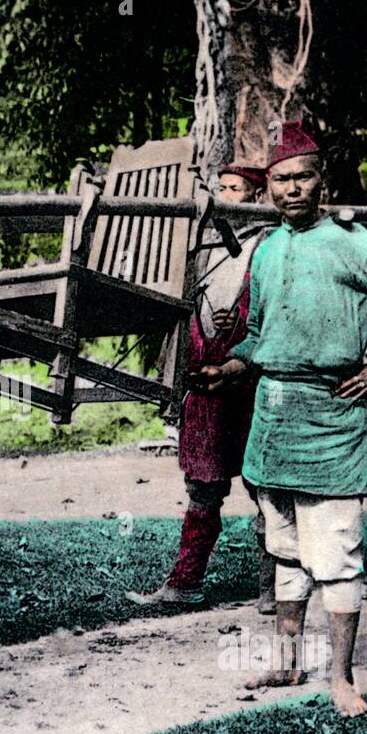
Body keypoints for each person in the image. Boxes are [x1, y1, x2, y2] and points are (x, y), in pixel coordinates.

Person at [200, 120, 367, 717]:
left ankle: (343, 678)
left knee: (334, 555)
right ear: (270, 187)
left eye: (301, 177)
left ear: (320, 180)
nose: (290, 189)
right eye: (279, 180)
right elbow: (259, 334)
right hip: (272, 420)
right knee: (282, 550)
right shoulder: (269, 247)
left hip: (331, 417)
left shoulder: (353, 243)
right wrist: (232, 368)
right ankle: (285, 661)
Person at [126, 161, 276, 611]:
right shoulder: (204, 240)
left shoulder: (270, 243)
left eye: (236, 189)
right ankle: (185, 583)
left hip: (251, 383)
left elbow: (281, 309)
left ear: (255, 196)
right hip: (205, 382)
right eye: (222, 187)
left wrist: (248, 320)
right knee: (204, 489)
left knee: (264, 488)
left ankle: (274, 587)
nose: (227, 195)